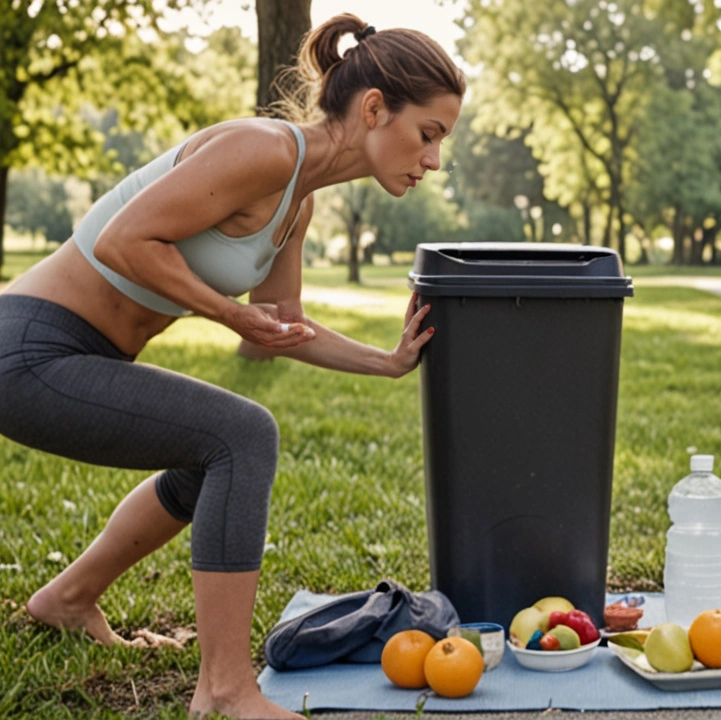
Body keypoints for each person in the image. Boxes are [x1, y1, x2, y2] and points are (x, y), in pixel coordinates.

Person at [5, 13, 465, 719]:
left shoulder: (296, 201)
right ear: (375, 109)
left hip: (81, 353)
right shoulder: (262, 150)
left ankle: (66, 599)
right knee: (241, 434)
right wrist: (226, 314)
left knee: (211, 452)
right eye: (428, 134)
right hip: (28, 348)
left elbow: (282, 323)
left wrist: (388, 361)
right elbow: (126, 241)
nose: (433, 160)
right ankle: (223, 690)